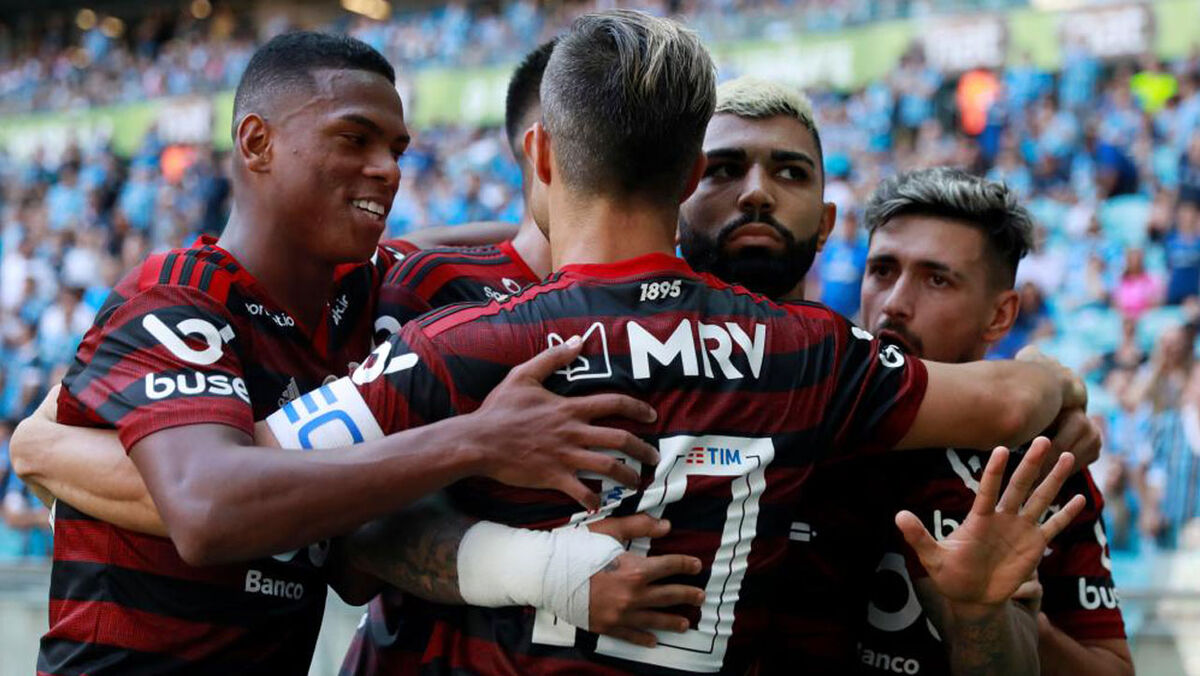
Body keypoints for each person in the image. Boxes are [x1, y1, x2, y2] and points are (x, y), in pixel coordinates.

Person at [266, 13, 1087, 674]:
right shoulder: (813, 353)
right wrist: (1056, 384)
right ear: (690, 174)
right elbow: (1011, 399)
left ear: (542, 154)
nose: (757, 195)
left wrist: (480, 462)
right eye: (730, 168)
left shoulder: (470, 339)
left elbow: (263, 481)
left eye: (790, 173)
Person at [22, 31, 664, 675]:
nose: (388, 169)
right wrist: (478, 441)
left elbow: (468, 246)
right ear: (257, 142)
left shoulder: (358, 295)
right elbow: (207, 511)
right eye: (355, 139)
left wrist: (599, 234)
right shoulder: (177, 296)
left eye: (397, 150)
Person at [675, 78, 1104, 674]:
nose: (895, 303)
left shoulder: (1035, 456)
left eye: (937, 279)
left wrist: (986, 614)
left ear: (825, 225)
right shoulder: (626, 361)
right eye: (881, 271)